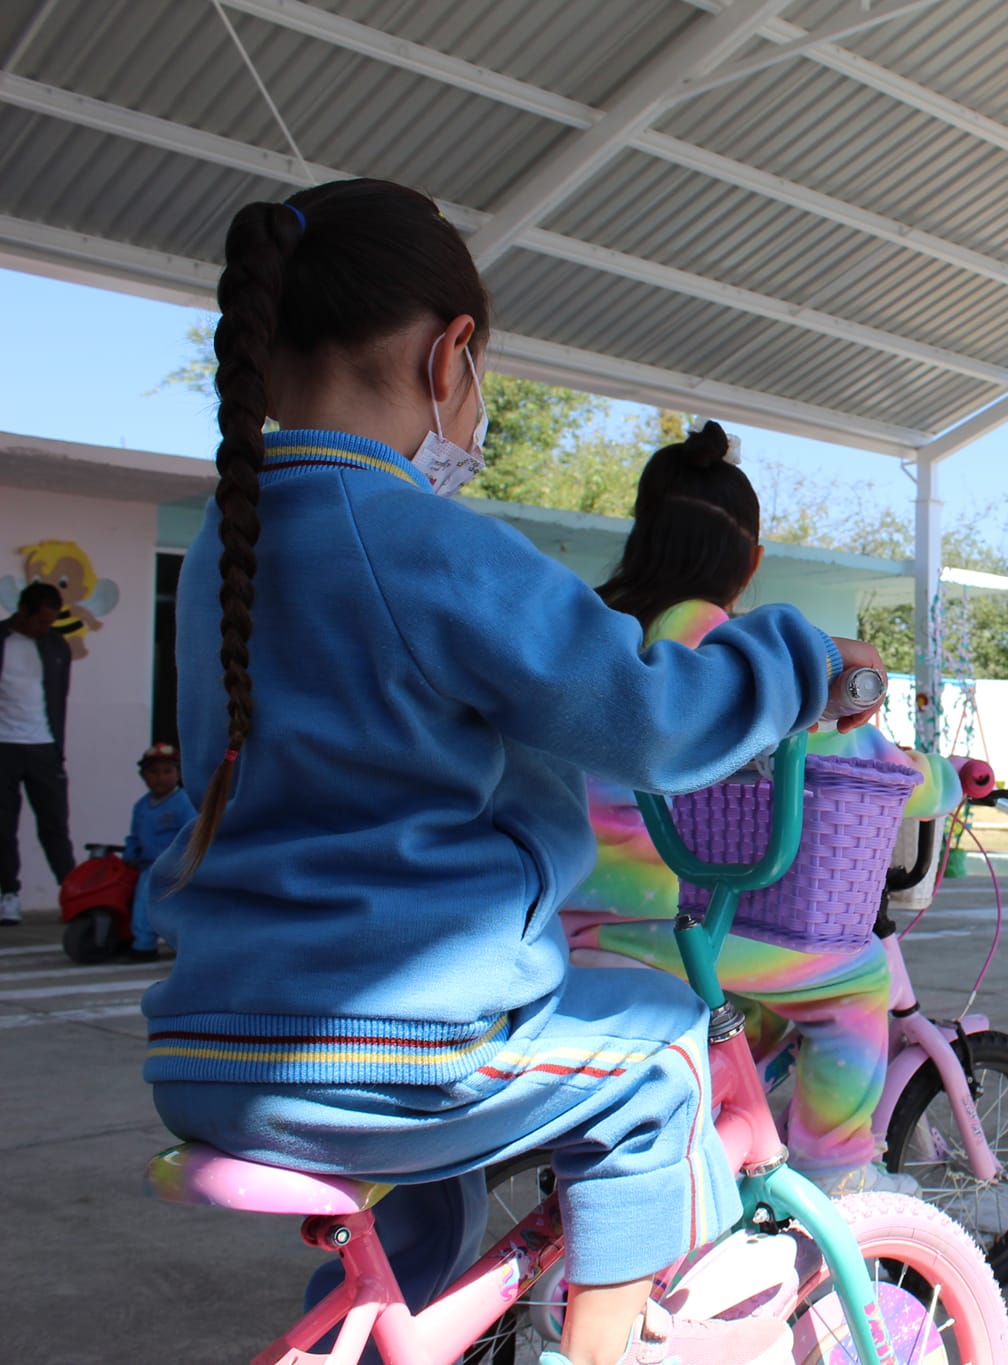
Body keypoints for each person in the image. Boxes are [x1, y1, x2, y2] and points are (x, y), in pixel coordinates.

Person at [136, 179, 883, 1365]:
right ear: (453, 354)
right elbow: (651, 718)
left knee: (457, 1172)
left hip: (207, 1040)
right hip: (391, 1046)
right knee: (661, 1055)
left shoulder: (235, 549)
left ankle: (410, 1333)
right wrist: (802, 664)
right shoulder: (429, 543)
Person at [562, 417, 918, 1199]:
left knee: (759, 999)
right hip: (664, 926)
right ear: (751, 561)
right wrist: (934, 778)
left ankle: (711, 1150)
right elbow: (835, 754)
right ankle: (842, 1186)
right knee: (854, 981)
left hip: (561, 924)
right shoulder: (705, 636)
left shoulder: (587, 627)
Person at [0, 580, 74, 925]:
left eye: (51, 622)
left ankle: (72, 893)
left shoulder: (57, 647)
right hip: (4, 747)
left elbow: (60, 699)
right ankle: (8, 895)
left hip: (44, 746)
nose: (46, 628)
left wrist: (58, 747)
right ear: (23, 611)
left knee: (55, 824)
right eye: (41, 621)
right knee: (3, 825)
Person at [120, 742, 196, 962]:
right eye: (153, 772)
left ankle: (183, 945)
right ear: (143, 776)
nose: (160, 777)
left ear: (178, 773)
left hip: (179, 868)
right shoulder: (141, 806)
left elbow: (192, 834)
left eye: (167, 771)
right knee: (143, 905)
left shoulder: (184, 803)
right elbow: (135, 836)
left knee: (182, 910)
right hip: (150, 866)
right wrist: (131, 852)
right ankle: (143, 944)